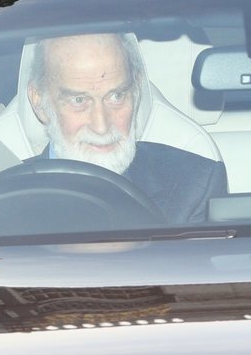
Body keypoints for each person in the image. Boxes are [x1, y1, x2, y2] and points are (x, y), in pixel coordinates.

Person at [18, 32, 228, 224]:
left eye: (116, 96)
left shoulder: (193, 186)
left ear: (136, 90)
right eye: (79, 100)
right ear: (39, 102)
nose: (101, 126)